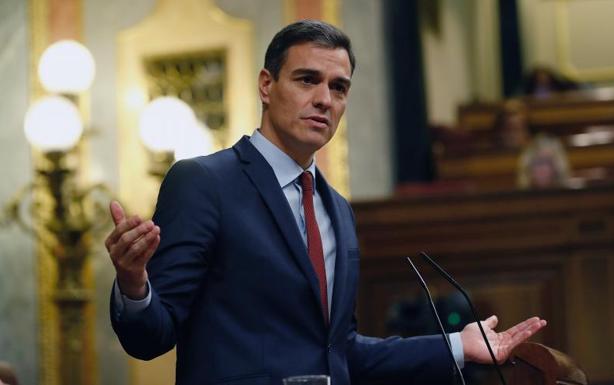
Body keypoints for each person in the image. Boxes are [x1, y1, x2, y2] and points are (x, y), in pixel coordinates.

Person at [106, 20, 546, 385]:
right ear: (266, 84)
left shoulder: (337, 208)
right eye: (307, 80)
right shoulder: (204, 182)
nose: (324, 99)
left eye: (338, 88)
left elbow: (338, 351)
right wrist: (133, 283)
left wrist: (456, 345)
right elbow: (151, 337)